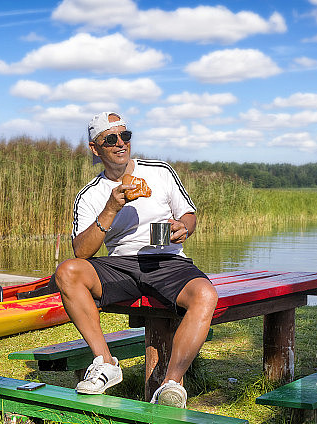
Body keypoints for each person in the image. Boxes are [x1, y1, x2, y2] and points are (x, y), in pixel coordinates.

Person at [54, 111, 218, 408]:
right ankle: (105, 363)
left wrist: (184, 228)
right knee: (67, 271)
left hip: (166, 259)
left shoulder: (160, 171)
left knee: (205, 294)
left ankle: (171, 385)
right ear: (95, 148)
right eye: (111, 139)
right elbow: (81, 252)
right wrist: (111, 207)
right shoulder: (90, 195)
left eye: (125, 136)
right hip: (121, 264)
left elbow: (189, 215)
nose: (121, 143)